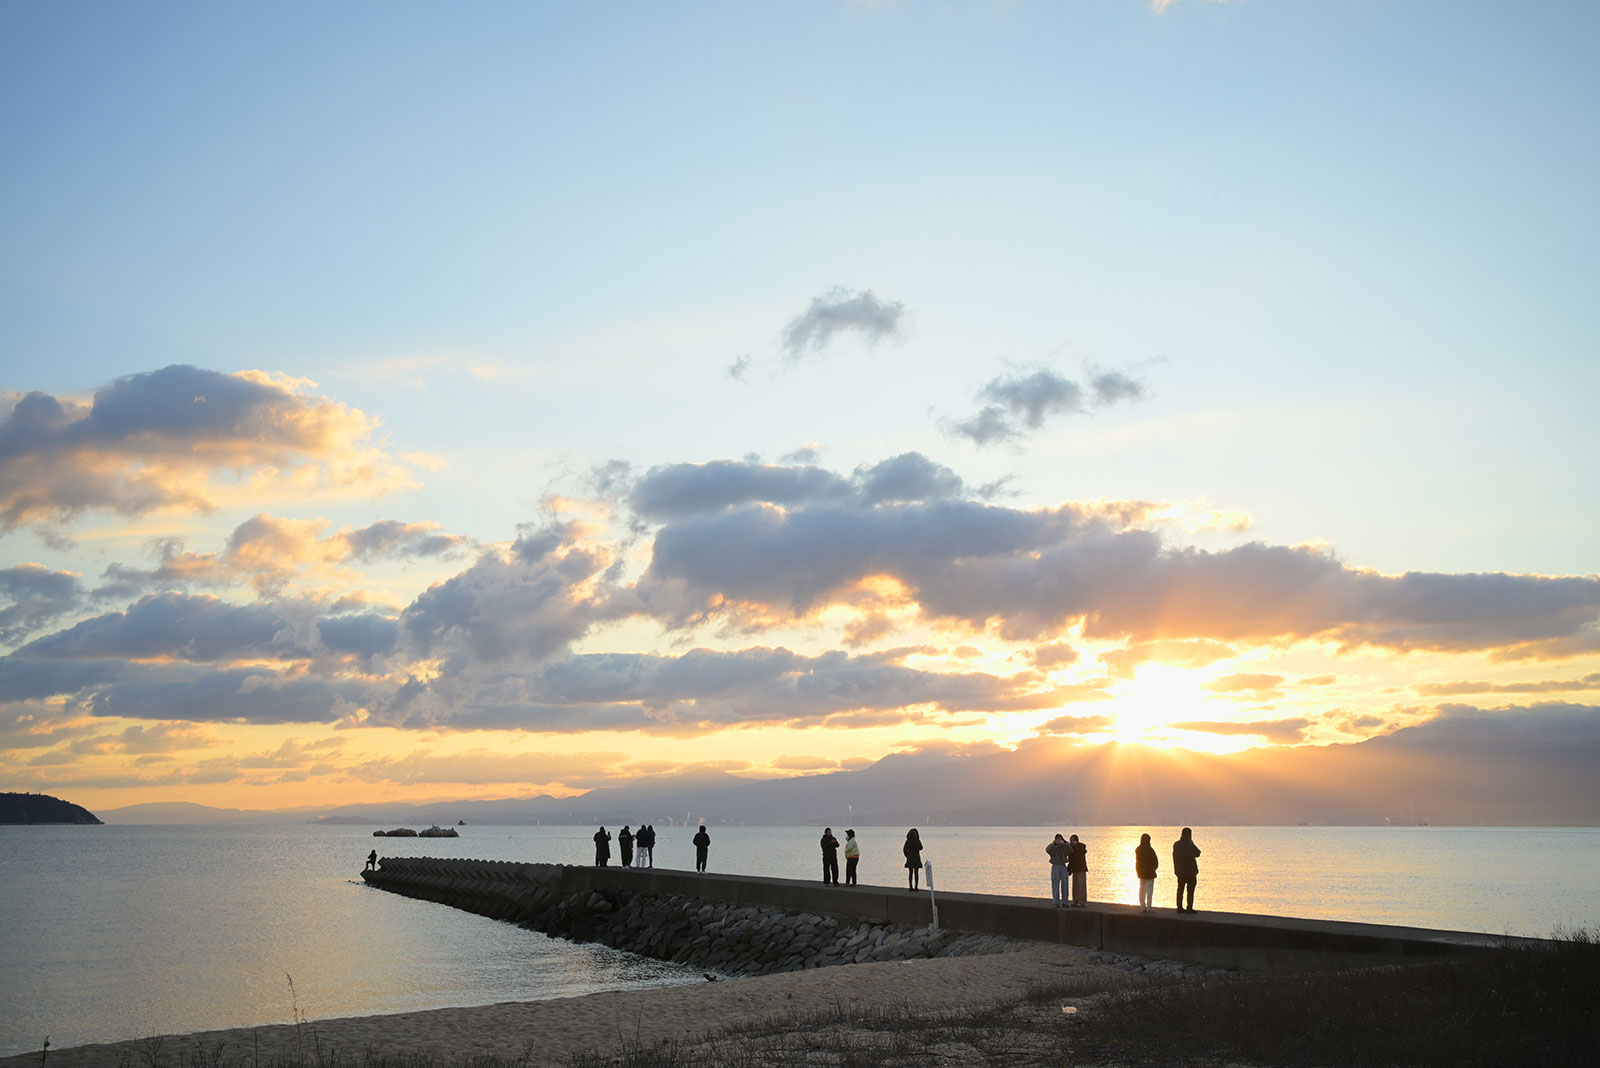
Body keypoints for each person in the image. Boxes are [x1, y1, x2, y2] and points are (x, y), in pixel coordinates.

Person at [1173, 826, 1201, 913]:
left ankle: (1179, 907)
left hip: (1180, 872)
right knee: (1190, 891)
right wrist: (1192, 843)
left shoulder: (1176, 845)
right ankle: (1189, 908)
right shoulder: (1190, 845)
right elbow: (1198, 853)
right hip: (1191, 872)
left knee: (1180, 890)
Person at [1135, 833, 1159, 913]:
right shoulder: (1150, 850)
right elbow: (1155, 861)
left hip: (1141, 873)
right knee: (1149, 891)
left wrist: (1138, 871)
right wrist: (1154, 868)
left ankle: (1142, 907)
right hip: (1150, 873)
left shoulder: (1138, 850)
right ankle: (1149, 907)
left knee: (1142, 890)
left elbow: (1137, 862)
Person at [1046, 833, 1070, 907]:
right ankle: (1056, 902)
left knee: (1065, 884)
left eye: (1060, 839)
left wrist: (1065, 843)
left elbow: (1070, 850)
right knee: (1055, 884)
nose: (1059, 840)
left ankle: (1065, 902)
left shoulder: (1065, 846)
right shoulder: (1052, 847)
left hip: (1063, 865)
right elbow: (1047, 850)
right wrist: (1054, 844)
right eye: (1058, 839)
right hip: (1055, 865)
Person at [1067, 833, 1089, 907]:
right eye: (1071, 840)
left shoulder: (1080, 848)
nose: (1071, 842)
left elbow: (1075, 859)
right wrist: (1069, 869)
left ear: (1077, 841)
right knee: (1075, 886)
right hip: (1075, 870)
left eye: (1073, 840)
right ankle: (1075, 900)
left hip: (1081, 869)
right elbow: (1070, 860)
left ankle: (1082, 901)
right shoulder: (1071, 849)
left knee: (1081, 886)